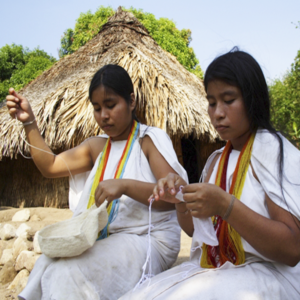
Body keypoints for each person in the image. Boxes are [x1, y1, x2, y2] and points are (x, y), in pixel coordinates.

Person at [119, 48, 300, 300]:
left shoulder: (270, 148)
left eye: (228, 100)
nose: (217, 112)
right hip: (222, 269)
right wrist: (180, 200)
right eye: (212, 102)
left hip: (270, 276)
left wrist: (226, 206)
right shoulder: (217, 160)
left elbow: (292, 248)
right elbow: (195, 231)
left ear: (253, 99)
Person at [6, 64, 188, 300]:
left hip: (149, 240)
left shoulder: (148, 141)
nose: (103, 115)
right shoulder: (96, 146)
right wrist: (29, 122)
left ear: (131, 101)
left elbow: (174, 197)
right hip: (105, 237)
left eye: (111, 105)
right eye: (97, 108)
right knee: (46, 264)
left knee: (68, 272)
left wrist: (124, 185)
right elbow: (50, 167)